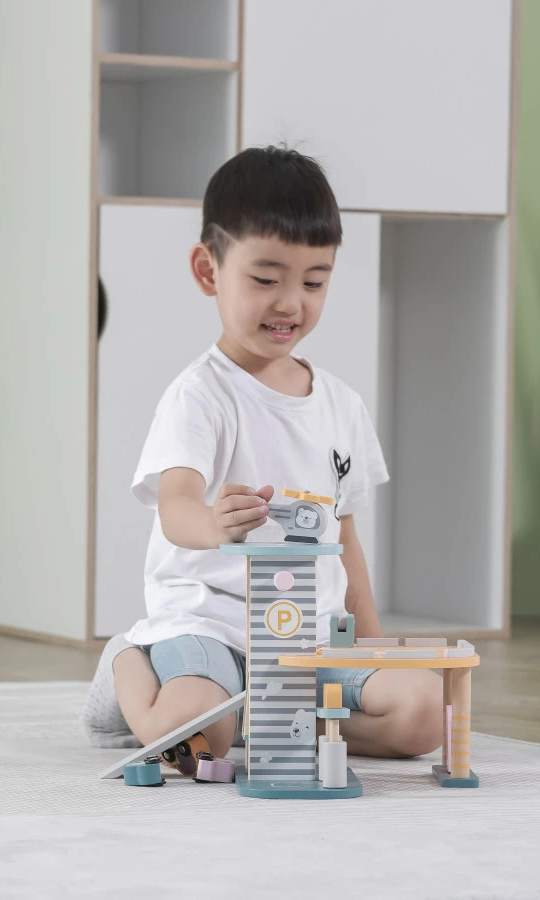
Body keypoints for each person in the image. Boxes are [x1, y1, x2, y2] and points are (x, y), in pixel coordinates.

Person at [82, 146, 442, 762]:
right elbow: (175, 507)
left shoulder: (341, 405)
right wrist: (215, 524)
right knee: (199, 732)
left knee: (426, 711)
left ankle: (280, 719)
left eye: (314, 282)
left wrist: (372, 647)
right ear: (208, 271)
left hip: (310, 639)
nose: (290, 303)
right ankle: (129, 662)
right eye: (266, 279)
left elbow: (345, 540)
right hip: (210, 626)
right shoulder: (201, 395)